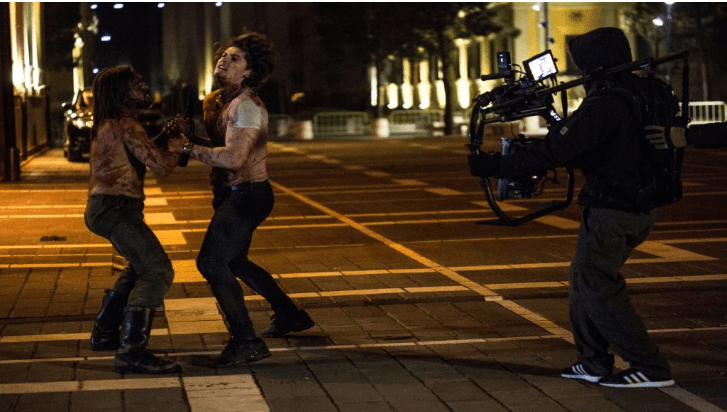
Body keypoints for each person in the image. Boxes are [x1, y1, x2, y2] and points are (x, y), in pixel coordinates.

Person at [468, 28, 674, 388]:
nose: (580, 73)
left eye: (583, 64)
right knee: (584, 278)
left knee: (596, 282)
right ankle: (592, 361)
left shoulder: (606, 102)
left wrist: (493, 165)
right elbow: (593, 142)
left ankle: (649, 366)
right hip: (637, 200)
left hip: (616, 206)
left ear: (595, 62)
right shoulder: (649, 90)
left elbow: (557, 150)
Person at [169, 32, 313, 368]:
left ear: (249, 72)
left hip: (248, 195)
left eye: (235, 58)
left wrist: (188, 148)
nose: (224, 60)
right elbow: (222, 145)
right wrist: (190, 137)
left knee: (211, 262)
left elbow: (234, 158)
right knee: (235, 262)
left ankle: (246, 340)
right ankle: (290, 315)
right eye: (224, 55)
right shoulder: (217, 100)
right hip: (230, 193)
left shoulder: (247, 107)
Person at [84, 66, 183, 374]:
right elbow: (160, 165)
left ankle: (104, 333)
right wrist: (178, 147)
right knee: (156, 271)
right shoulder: (126, 124)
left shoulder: (110, 123)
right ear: (120, 92)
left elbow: (138, 153)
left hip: (107, 207)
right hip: (115, 208)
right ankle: (132, 351)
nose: (144, 87)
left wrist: (164, 135)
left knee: (137, 267)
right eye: (136, 84)